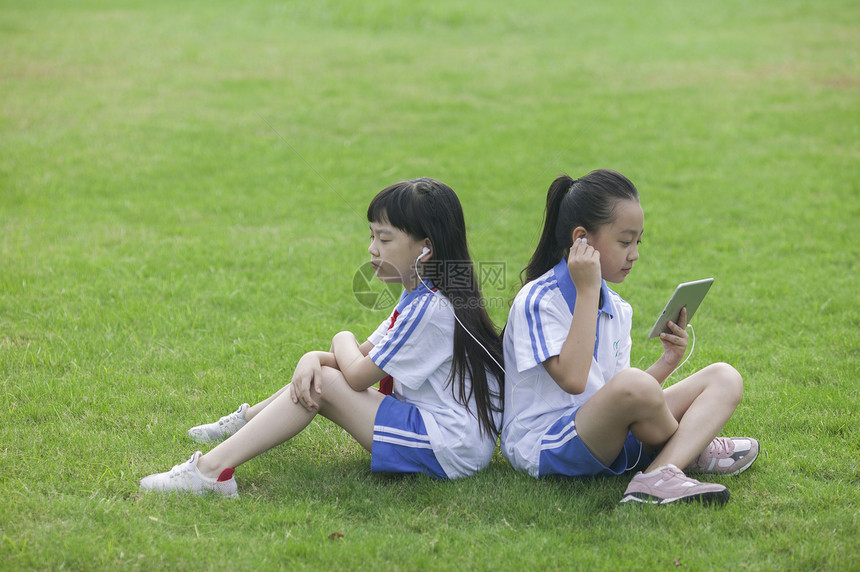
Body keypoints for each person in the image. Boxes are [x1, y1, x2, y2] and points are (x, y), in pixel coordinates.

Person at [140, 178, 504, 497]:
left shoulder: (432, 308)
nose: (372, 249)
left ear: (426, 248)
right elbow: (361, 357)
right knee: (321, 376)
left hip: (449, 447)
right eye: (371, 235)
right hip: (442, 433)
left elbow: (357, 374)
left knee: (324, 383)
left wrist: (336, 337)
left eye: (384, 238)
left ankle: (209, 472)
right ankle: (245, 422)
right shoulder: (422, 294)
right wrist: (313, 356)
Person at [501, 169, 758, 505]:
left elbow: (620, 395)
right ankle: (689, 447)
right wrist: (588, 289)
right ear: (582, 239)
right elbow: (575, 381)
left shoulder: (618, 308)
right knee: (633, 384)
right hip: (546, 445)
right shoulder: (538, 300)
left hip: (607, 432)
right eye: (624, 242)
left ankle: (659, 474)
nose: (634, 254)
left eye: (638, 241)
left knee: (725, 376)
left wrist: (666, 363)